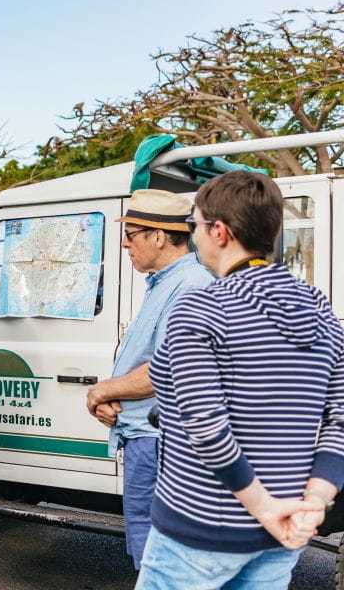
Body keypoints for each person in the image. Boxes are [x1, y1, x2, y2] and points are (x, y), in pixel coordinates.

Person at [136, 171, 344, 589]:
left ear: (219, 231)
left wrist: (265, 509)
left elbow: (206, 426)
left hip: (198, 529)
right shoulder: (323, 314)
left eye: (194, 224)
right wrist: (313, 503)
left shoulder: (202, 309)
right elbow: (339, 420)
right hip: (285, 531)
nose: (192, 235)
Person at [83, 190, 213, 569]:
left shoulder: (190, 286)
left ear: (158, 236)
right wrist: (112, 399)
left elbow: (171, 366)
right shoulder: (163, 283)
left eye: (132, 233)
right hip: (149, 439)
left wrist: (101, 391)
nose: (124, 242)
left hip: (167, 445)